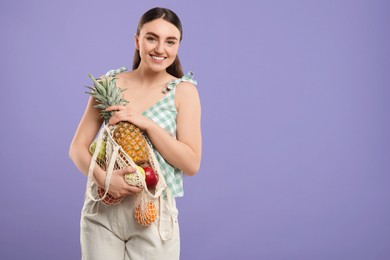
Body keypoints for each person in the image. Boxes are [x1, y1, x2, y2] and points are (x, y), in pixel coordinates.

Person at [69, 7, 202, 260]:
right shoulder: (109, 83)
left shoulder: (183, 91)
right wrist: (104, 179)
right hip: (103, 209)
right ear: (137, 40)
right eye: (152, 38)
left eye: (170, 41)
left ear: (178, 46)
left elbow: (191, 162)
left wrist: (147, 124)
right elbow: (77, 148)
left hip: (152, 208)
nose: (160, 48)